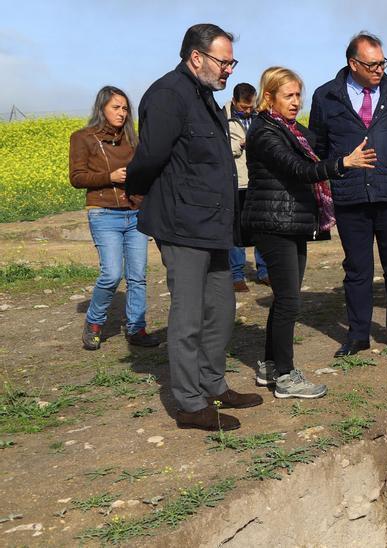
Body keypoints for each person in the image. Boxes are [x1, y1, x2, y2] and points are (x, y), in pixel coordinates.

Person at [126, 23, 262, 431]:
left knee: (220, 309)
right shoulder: (169, 95)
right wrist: (137, 192)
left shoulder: (204, 97)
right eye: (224, 61)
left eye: (232, 62)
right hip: (184, 225)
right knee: (187, 316)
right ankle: (188, 404)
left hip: (213, 225)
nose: (229, 71)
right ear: (196, 57)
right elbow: (150, 158)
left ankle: (213, 384)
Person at [243, 67, 377, 398]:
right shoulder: (265, 132)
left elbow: (316, 151)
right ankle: (286, 377)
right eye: (288, 95)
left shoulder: (290, 130)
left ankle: (271, 366)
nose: (296, 102)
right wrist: (343, 164)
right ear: (269, 96)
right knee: (289, 300)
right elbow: (299, 170)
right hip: (274, 224)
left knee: (284, 299)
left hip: (290, 222)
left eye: (298, 95)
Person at [309, 31, 387, 357]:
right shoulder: (326, 96)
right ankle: (358, 335)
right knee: (357, 269)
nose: (379, 69)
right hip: (351, 196)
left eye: (382, 62)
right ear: (353, 63)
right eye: (372, 64)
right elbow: (319, 147)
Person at [69, 86, 160, 351]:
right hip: (104, 213)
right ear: (102, 109)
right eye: (115, 108)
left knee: (138, 276)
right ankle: (94, 323)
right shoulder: (83, 138)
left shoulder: (133, 140)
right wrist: (108, 178)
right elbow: (76, 178)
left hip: (135, 214)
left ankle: (136, 329)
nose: (122, 113)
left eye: (125, 108)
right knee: (111, 274)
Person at [224, 82, 269, 291]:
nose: (248, 111)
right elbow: (219, 149)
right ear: (234, 102)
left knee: (260, 227)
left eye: (251, 107)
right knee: (237, 231)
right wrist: (239, 145)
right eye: (244, 107)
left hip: (258, 181)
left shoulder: (260, 116)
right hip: (236, 182)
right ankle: (236, 275)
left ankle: (264, 271)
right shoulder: (222, 119)